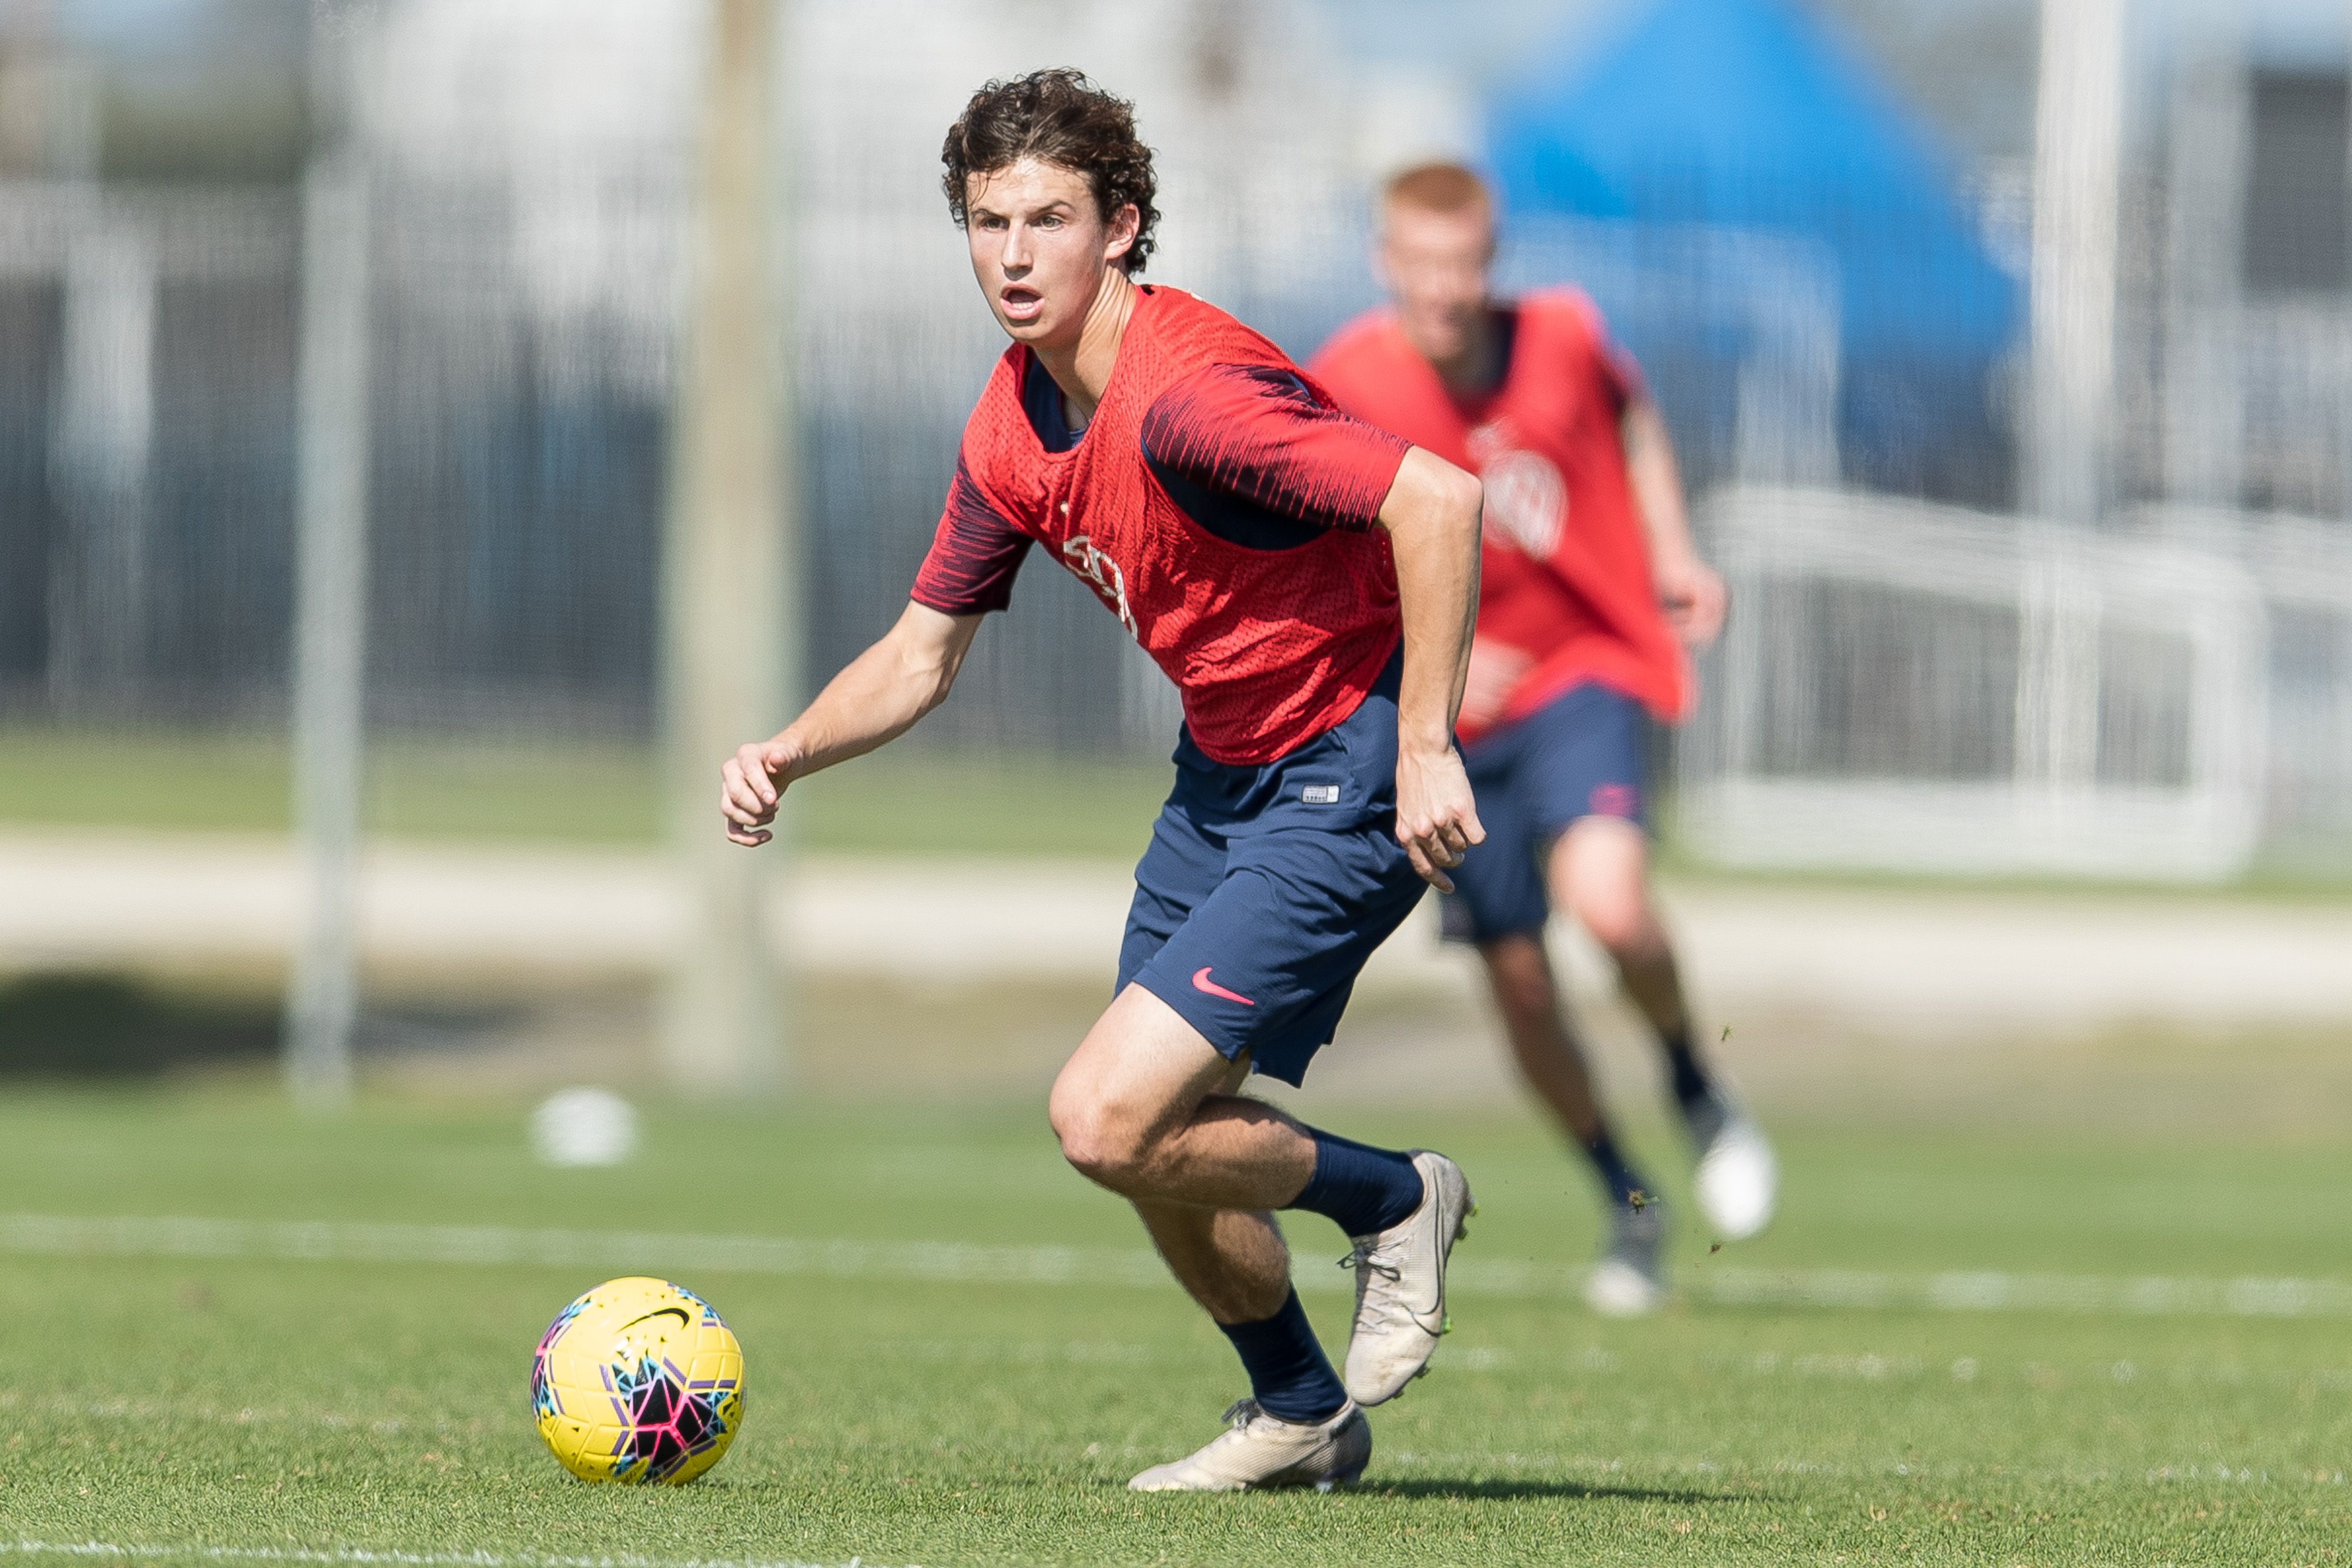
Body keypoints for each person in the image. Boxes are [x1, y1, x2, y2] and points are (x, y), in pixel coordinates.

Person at [720, 73, 1488, 1491]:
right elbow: (918, 653)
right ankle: (1300, 1405)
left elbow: (1434, 496)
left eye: (1048, 219)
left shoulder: (1192, 403)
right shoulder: (1010, 425)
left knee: (1101, 1115)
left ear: (1120, 226)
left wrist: (1429, 741)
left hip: (1349, 757)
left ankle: (1396, 1196)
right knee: (1151, 1141)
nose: (1013, 254)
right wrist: (785, 751)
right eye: (986, 220)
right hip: (1221, 778)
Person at [1309, 162, 1776, 1316]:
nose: (1444, 289)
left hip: (1578, 676)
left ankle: (1690, 1077)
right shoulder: (1343, 381)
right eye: (1419, 265)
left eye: (1463, 263)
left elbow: (1627, 413)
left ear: (1489, 259)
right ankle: (1628, 1200)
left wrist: (1667, 549)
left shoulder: (1561, 339)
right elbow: (1322, 555)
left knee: (1611, 904)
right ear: (1385, 264)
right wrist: (1440, 660)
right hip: (1448, 730)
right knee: (1518, 981)